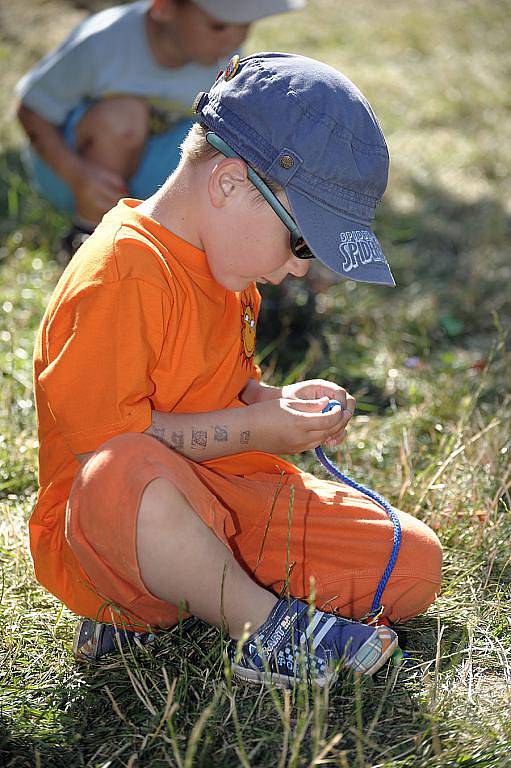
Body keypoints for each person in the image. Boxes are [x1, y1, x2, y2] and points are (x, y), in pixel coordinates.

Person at [32, 52, 442, 687]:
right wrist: (256, 430)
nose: (302, 269)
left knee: (410, 563)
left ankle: (202, 588)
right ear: (227, 183)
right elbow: (109, 446)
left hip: (223, 493)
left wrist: (274, 401)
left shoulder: (228, 268)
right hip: (114, 520)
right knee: (121, 474)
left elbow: (214, 388)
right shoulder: (122, 272)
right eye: (302, 243)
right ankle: (265, 630)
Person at [15, 0, 305, 259]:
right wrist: (76, 174)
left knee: (226, 147)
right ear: (164, 7)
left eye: (245, 26)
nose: (235, 39)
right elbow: (31, 109)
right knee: (123, 118)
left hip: (152, 174)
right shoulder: (103, 42)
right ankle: (88, 238)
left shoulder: (221, 54)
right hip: (74, 173)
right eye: (219, 25)